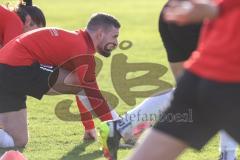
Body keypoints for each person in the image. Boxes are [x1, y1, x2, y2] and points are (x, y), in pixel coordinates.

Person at [98, 0, 238, 159]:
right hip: (209, 17)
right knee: (219, 91)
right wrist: (215, 10)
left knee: (190, 92)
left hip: (177, 9)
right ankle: (228, 156)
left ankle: (120, 127)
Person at [0, 12, 120, 148]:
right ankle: (120, 126)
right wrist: (117, 128)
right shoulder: (81, 49)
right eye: (114, 36)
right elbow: (90, 93)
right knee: (82, 85)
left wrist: (89, 127)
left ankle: (113, 126)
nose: (116, 43)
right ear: (100, 34)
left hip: (6, 72)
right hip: (16, 68)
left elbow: (80, 89)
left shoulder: (76, 41)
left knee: (18, 141)